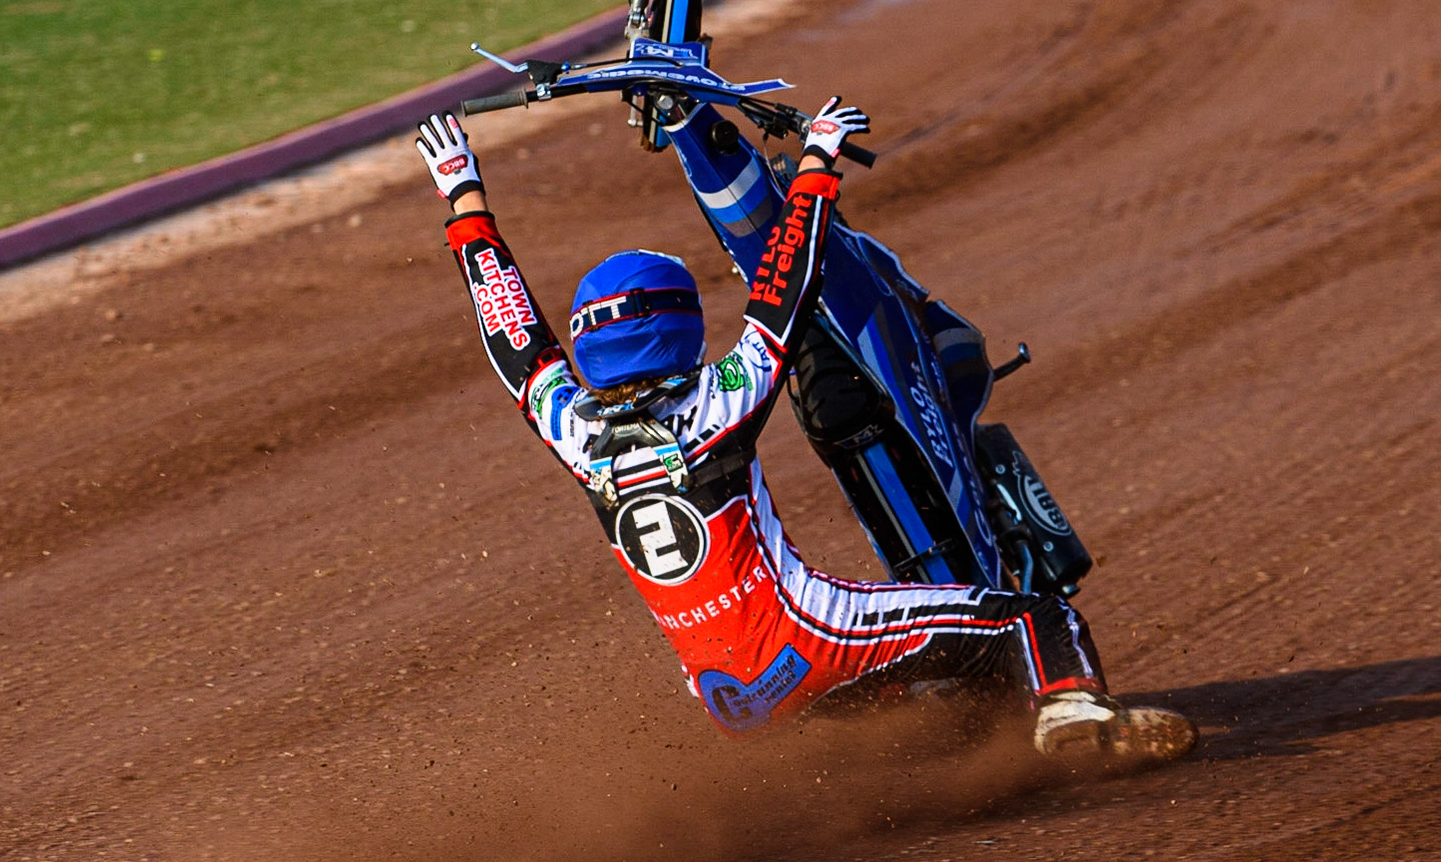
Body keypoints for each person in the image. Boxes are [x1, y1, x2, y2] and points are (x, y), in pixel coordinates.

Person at [414, 99, 1196, 767]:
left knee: (925, 696)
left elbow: (511, 328)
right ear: (680, 325)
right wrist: (817, 163)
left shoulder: (568, 426)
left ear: (586, 340)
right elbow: (784, 286)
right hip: (816, 639)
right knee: (1031, 618)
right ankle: (1074, 715)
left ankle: (923, 762)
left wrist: (462, 194)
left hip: (733, 703)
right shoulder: (722, 397)